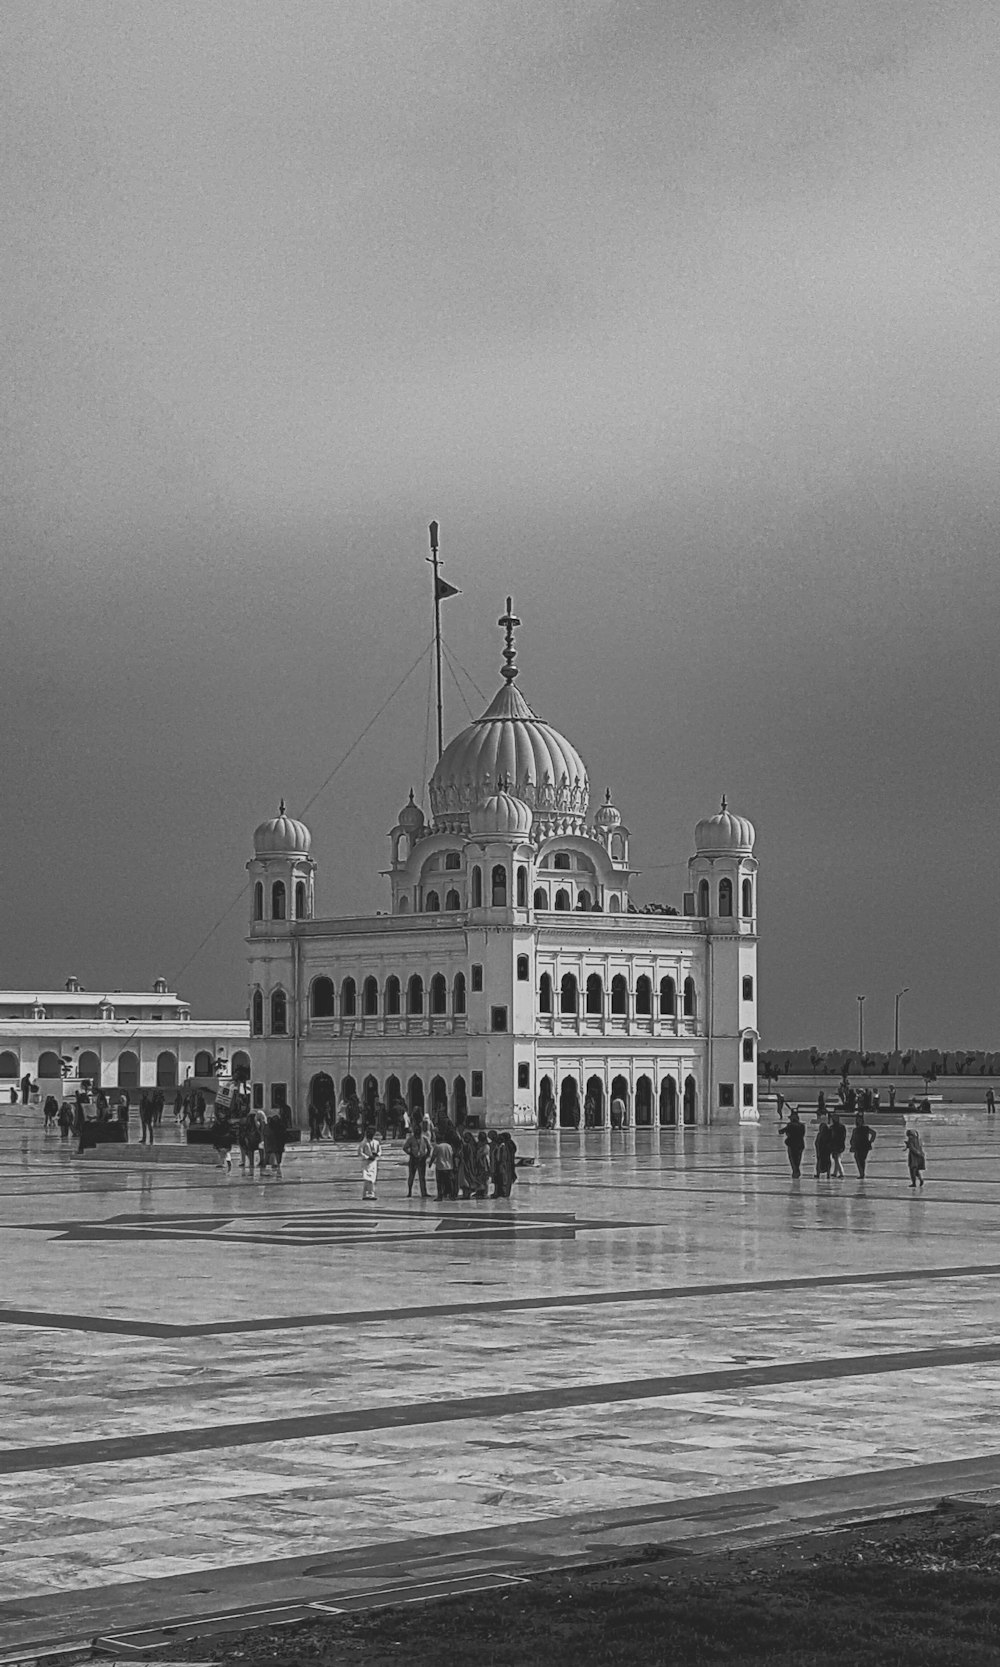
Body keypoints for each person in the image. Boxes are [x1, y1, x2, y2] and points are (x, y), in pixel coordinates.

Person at [403, 1125, 430, 1198]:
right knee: (411, 1176)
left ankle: (424, 1192)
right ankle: (409, 1192)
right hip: (413, 1159)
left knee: (422, 1177)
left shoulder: (424, 1139)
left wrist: (426, 1156)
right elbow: (405, 1147)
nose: (417, 1132)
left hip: (422, 1159)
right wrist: (410, 1153)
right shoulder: (411, 1139)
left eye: (418, 1131)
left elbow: (429, 1148)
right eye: (416, 1131)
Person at [780, 1108, 806, 1177]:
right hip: (800, 1144)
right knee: (798, 1158)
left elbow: (781, 1131)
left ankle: (795, 1171)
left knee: (792, 1158)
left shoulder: (790, 1125)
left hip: (792, 1144)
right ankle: (796, 1170)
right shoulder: (802, 1126)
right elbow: (802, 1134)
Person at [849, 1112, 876, 1177]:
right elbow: (853, 1138)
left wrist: (870, 1141)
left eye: (860, 1120)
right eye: (858, 1120)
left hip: (864, 1145)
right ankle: (861, 1173)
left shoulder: (866, 1128)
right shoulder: (855, 1129)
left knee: (862, 1159)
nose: (859, 1121)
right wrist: (852, 1144)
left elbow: (873, 1133)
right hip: (857, 1146)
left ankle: (862, 1173)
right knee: (857, 1158)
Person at [492, 1132, 518, 1197]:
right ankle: (502, 1193)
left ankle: (504, 1193)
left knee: (504, 1179)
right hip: (506, 1165)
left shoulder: (505, 1146)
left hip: (505, 1165)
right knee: (502, 1179)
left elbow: (501, 1158)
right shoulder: (507, 1145)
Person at [428, 1134, 454, 1200]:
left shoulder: (437, 1147)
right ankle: (451, 1196)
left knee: (440, 1183)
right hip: (449, 1167)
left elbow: (433, 1156)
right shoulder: (449, 1146)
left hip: (440, 1167)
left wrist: (430, 1163)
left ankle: (440, 1196)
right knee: (449, 1182)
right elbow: (452, 1155)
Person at [359, 1127, 381, 1200]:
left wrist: (376, 1155)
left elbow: (379, 1151)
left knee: (372, 1179)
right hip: (366, 1163)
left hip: (373, 1163)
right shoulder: (363, 1143)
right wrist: (367, 1157)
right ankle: (368, 1194)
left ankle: (369, 1194)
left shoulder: (376, 1143)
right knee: (368, 1179)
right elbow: (360, 1152)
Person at [814, 1113, 834, 1179]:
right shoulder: (828, 1134)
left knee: (820, 1162)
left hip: (823, 1150)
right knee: (826, 1162)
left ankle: (819, 1174)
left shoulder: (822, 1134)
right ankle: (826, 1174)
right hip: (825, 1150)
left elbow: (817, 1142)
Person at [830, 1112, 847, 1178]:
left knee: (837, 1159)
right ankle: (835, 1172)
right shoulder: (841, 1127)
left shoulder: (834, 1127)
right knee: (836, 1158)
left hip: (836, 1145)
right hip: (839, 1144)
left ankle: (841, 1172)